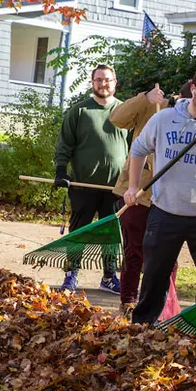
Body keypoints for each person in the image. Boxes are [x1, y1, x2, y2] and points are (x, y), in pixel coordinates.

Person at [124, 66, 196, 325]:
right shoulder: (163, 119)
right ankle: (142, 329)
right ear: (193, 89)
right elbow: (139, 149)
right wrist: (133, 187)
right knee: (154, 277)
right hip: (165, 212)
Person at [53, 64, 128, 293]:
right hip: (83, 185)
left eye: (107, 79)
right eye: (98, 80)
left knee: (111, 235)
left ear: (115, 82)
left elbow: (139, 148)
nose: (103, 84)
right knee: (79, 232)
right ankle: (71, 275)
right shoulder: (79, 111)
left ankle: (108, 278)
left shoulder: (126, 112)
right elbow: (64, 143)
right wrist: (60, 170)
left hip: (116, 188)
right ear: (92, 82)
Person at [110, 82, 179, 318]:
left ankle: (164, 306)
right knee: (134, 251)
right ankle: (128, 303)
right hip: (137, 194)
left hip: (170, 198)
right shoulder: (154, 107)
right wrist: (145, 98)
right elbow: (117, 118)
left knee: (168, 255)